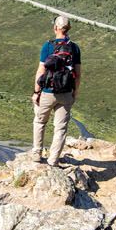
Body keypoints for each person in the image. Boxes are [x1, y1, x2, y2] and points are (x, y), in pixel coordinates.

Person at [32, 15, 82, 166]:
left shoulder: (47, 46)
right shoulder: (74, 48)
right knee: (60, 128)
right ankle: (53, 160)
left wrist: (36, 92)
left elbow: (41, 71)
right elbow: (78, 74)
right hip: (66, 93)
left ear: (55, 28)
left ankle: (36, 154)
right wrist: (74, 93)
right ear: (69, 29)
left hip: (48, 92)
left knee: (40, 122)